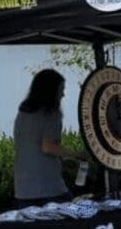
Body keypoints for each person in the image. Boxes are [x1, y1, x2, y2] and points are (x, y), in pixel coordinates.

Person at [13, 69, 85, 207]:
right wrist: (77, 154)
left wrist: (61, 162)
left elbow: (32, 149)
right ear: (51, 91)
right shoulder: (51, 114)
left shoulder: (23, 113)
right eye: (61, 90)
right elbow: (48, 147)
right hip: (48, 189)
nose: (63, 94)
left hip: (23, 190)